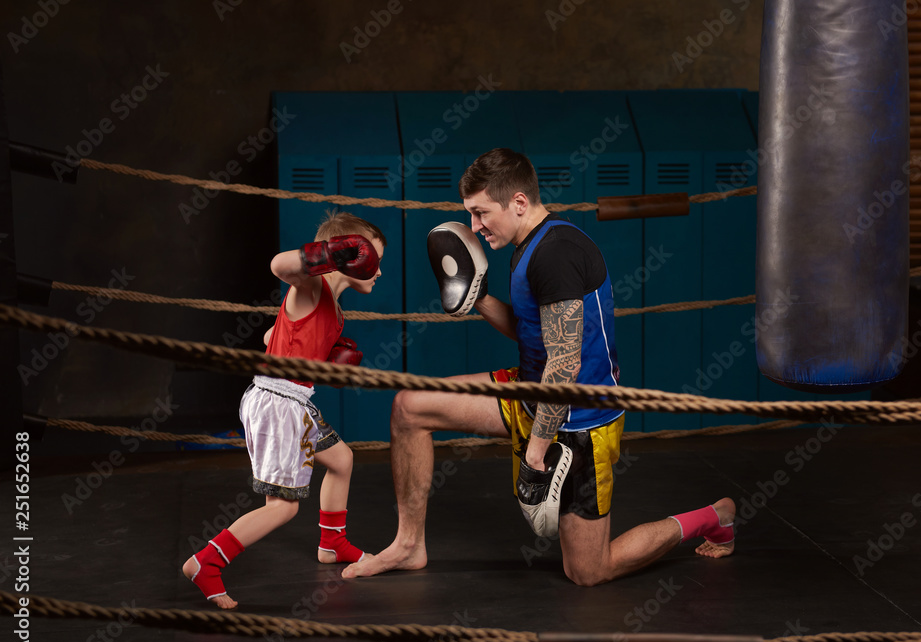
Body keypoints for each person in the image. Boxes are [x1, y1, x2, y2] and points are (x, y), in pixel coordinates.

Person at [343, 148, 734, 586]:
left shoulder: (556, 253)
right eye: (468, 214)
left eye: (480, 212)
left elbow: (564, 365)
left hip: (580, 419)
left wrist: (535, 451)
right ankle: (409, 544)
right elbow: (533, 331)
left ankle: (712, 516)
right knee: (410, 408)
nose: (474, 226)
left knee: (588, 571)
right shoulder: (528, 243)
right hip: (531, 391)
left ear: (519, 203)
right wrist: (476, 297)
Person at [183, 211, 386, 608]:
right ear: (350, 255)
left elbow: (271, 334)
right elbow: (279, 265)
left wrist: (321, 353)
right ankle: (206, 562)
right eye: (373, 260)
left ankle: (333, 543)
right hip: (278, 403)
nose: (378, 271)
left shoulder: (331, 307)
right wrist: (332, 254)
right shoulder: (311, 287)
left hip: (295, 401)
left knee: (341, 459)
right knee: (282, 507)